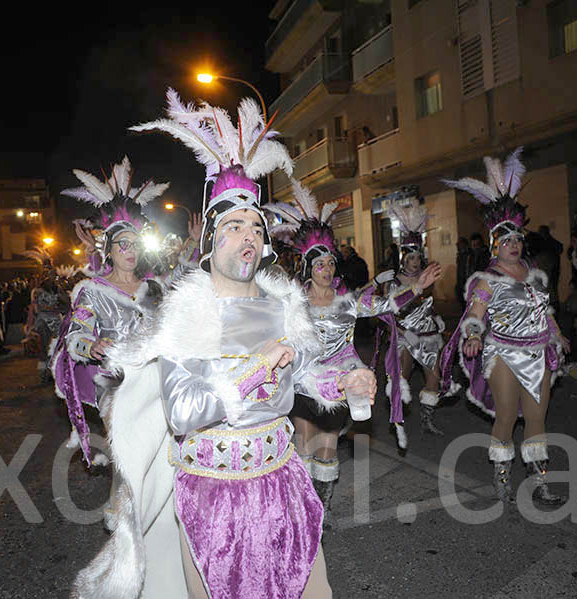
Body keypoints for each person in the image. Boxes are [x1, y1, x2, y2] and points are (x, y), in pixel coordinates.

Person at [72, 89, 377, 599]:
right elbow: (185, 412)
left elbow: (303, 372)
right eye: (234, 226)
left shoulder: (283, 303)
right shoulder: (188, 313)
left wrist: (343, 380)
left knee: (314, 591)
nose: (249, 237)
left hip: (282, 478)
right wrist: (253, 370)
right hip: (213, 495)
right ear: (212, 239)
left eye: (256, 227)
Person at [266, 181, 441, 525]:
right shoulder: (292, 302)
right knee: (304, 447)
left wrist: (415, 288)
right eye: (320, 266)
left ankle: (321, 510)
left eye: (331, 264)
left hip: (342, 380)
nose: (328, 271)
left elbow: (386, 303)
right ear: (307, 268)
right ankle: (302, 507)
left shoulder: (350, 301)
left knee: (328, 449)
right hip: (303, 383)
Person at [441, 147, 569, 505]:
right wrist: (472, 336)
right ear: (495, 244)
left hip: (538, 351)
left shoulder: (536, 276)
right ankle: (501, 474)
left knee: (537, 417)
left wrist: (557, 333)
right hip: (504, 353)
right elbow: (474, 317)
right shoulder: (488, 279)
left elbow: (545, 310)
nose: (513, 245)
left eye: (517, 239)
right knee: (508, 415)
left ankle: (540, 479)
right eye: (506, 240)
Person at [50, 156, 171, 469]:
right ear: (109, 250)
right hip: (114, 383)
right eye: (123, 245)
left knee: (161, 465)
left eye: (135, 244)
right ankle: (124, 517)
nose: (131, 252)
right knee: (129, 464)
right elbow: (76, 336)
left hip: (156, 383)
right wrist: (93, 346)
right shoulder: (93, 290)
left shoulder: (155, 288)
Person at [385, 199, 452, 435]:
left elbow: (428, 306)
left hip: (428, 336)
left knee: (434, 378)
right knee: (400, 379)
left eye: (417, 258)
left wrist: (437, 321)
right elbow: (387, 313)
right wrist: (404, 334)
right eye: (411, 258)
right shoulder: (393, 282)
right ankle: (397, 419)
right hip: (406, 337)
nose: (415, 262)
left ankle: (427, 420)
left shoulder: (426, 279)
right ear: (403, 258)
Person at [455, 236, 473, 310]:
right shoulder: (460, 254)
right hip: (461, 279)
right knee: (460, 297)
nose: (458, 246)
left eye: (460, 244)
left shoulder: (469, 254)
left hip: (467, 279)